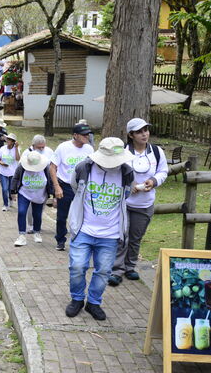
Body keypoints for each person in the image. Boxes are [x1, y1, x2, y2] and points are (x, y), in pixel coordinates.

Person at [65, 137, 134, 321]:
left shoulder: (126, 172)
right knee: (77, 267)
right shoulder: (83, 168)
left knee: (103, 271)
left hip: (110, 234)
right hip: (83, 229)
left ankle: (94, 302)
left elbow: (125, 195)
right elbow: (75, 187)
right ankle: (77, 299)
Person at [109, 118, 168, 286]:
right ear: (131, 135)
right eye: (139, 132)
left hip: (145, 203)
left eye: (146, 130)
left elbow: (163, 170)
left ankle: (130, 267)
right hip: (125, 203)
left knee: (136, 237)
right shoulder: (123, 152)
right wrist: (129, 184)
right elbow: (115, 172)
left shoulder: (156, 151)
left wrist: (154, 181)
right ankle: (117, 269)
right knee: (122, 236)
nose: (144, 134)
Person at [50, 123, 94, 251]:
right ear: (75, 135)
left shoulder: (89, 149)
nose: (87, 136)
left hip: (83, 187)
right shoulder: (63, 147)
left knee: (84, 214)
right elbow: (52, 168)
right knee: (62, 215)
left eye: (88, 134)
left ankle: (81, 240)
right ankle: (60, 239)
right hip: (66, 185)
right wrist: (57, 187)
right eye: (84, 134)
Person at [10, 150, 52, 246]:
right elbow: (15, 178)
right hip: (24, 193)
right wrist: (12, 191)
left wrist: (53, 194)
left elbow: (50, 180)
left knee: (37, 215)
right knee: (21, 212)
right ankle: (22, 235)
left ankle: (36, 232)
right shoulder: (22, 166)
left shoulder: (45, 167)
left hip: (39, 194)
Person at [25, 134, 54, 233]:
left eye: (43, 147)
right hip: (31, 183)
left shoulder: (49, 151)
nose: (41, 149)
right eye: (39, 147)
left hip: (44, 184)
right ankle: (31, 225)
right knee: (30, 205)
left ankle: (37, 223)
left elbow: (53, 166)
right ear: (33, 145)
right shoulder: (27, 153)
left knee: (41, 205)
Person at [0, 133, 20, 211]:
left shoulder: (16, 149)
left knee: (10, 189)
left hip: (13, 173)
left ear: (13, 142)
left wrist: (16, 148)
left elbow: (17, 159)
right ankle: (5, 204)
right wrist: (1, 163)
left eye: (9, 140)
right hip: (3, 172)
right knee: (4, 189)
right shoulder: (2, 148)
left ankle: (10, 199)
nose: (7, 141)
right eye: (7, 139)